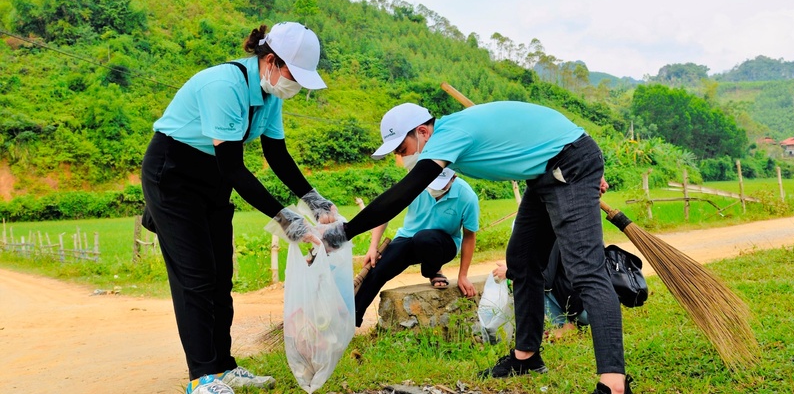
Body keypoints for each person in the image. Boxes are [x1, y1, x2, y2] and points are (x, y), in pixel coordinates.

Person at [321, 101, 633, 394]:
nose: (403, 158)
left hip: (569, 162)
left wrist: (343, 232)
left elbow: (402, 194)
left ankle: (614, 383)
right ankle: (526, 358)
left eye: (404, 149)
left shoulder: (448, 136)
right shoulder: (450, 131)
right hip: (544, 171)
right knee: (522, 260)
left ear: (422, 132)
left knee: (585, 269)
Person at [140, 22, 337, 394]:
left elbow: (275, 153)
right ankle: (203, 377)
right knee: (196, 277)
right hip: (173, 174)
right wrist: (286, 218)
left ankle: (224, 366)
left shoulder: (267, 94)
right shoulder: (224, 86)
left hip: (212, 177)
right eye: (294, 75)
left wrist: (312, 198)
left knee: (220, 277)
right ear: (271, 61)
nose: (294, 86)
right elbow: (234, 167)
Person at [355, 165, 480, 327]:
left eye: (440, 185)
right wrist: (373, 247)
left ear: (453, 178)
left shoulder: (467, 197)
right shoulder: (415, 184)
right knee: (378, 269)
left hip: (443, 245)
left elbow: (469, 236)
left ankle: (432, 270)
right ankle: (353, 317)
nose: (434, 189)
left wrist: (463, 275)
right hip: (408, 238)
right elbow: (385, 211)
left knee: (425, 238)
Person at [493, 241, 590, 340]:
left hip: (586, 311)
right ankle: (568, 324)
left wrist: (511, 272)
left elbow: (544, 279)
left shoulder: (552, 237)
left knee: (534, 281)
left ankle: (564, 325)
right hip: (596, 305)